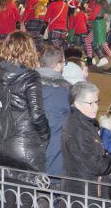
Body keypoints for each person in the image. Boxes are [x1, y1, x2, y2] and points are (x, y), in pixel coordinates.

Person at [0, 32, 50, 190]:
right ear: (29, 50)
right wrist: (44, 136)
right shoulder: (31, 77)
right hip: (23, 145)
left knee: (7, 197)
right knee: (25, 197)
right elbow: (37, 114)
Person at [60, 81, 111, 199]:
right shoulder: (81, 129)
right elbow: (97, 166)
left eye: (97, 102)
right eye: (90, 103)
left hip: (79, 188)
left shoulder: (79, 121)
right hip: (86, 192)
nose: (96, 107)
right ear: (76, 104)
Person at [37, 44, 71, 177]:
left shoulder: (27, 83)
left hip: (28, 154)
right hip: (55, 156)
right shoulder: (66, 90)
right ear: (58, 65)